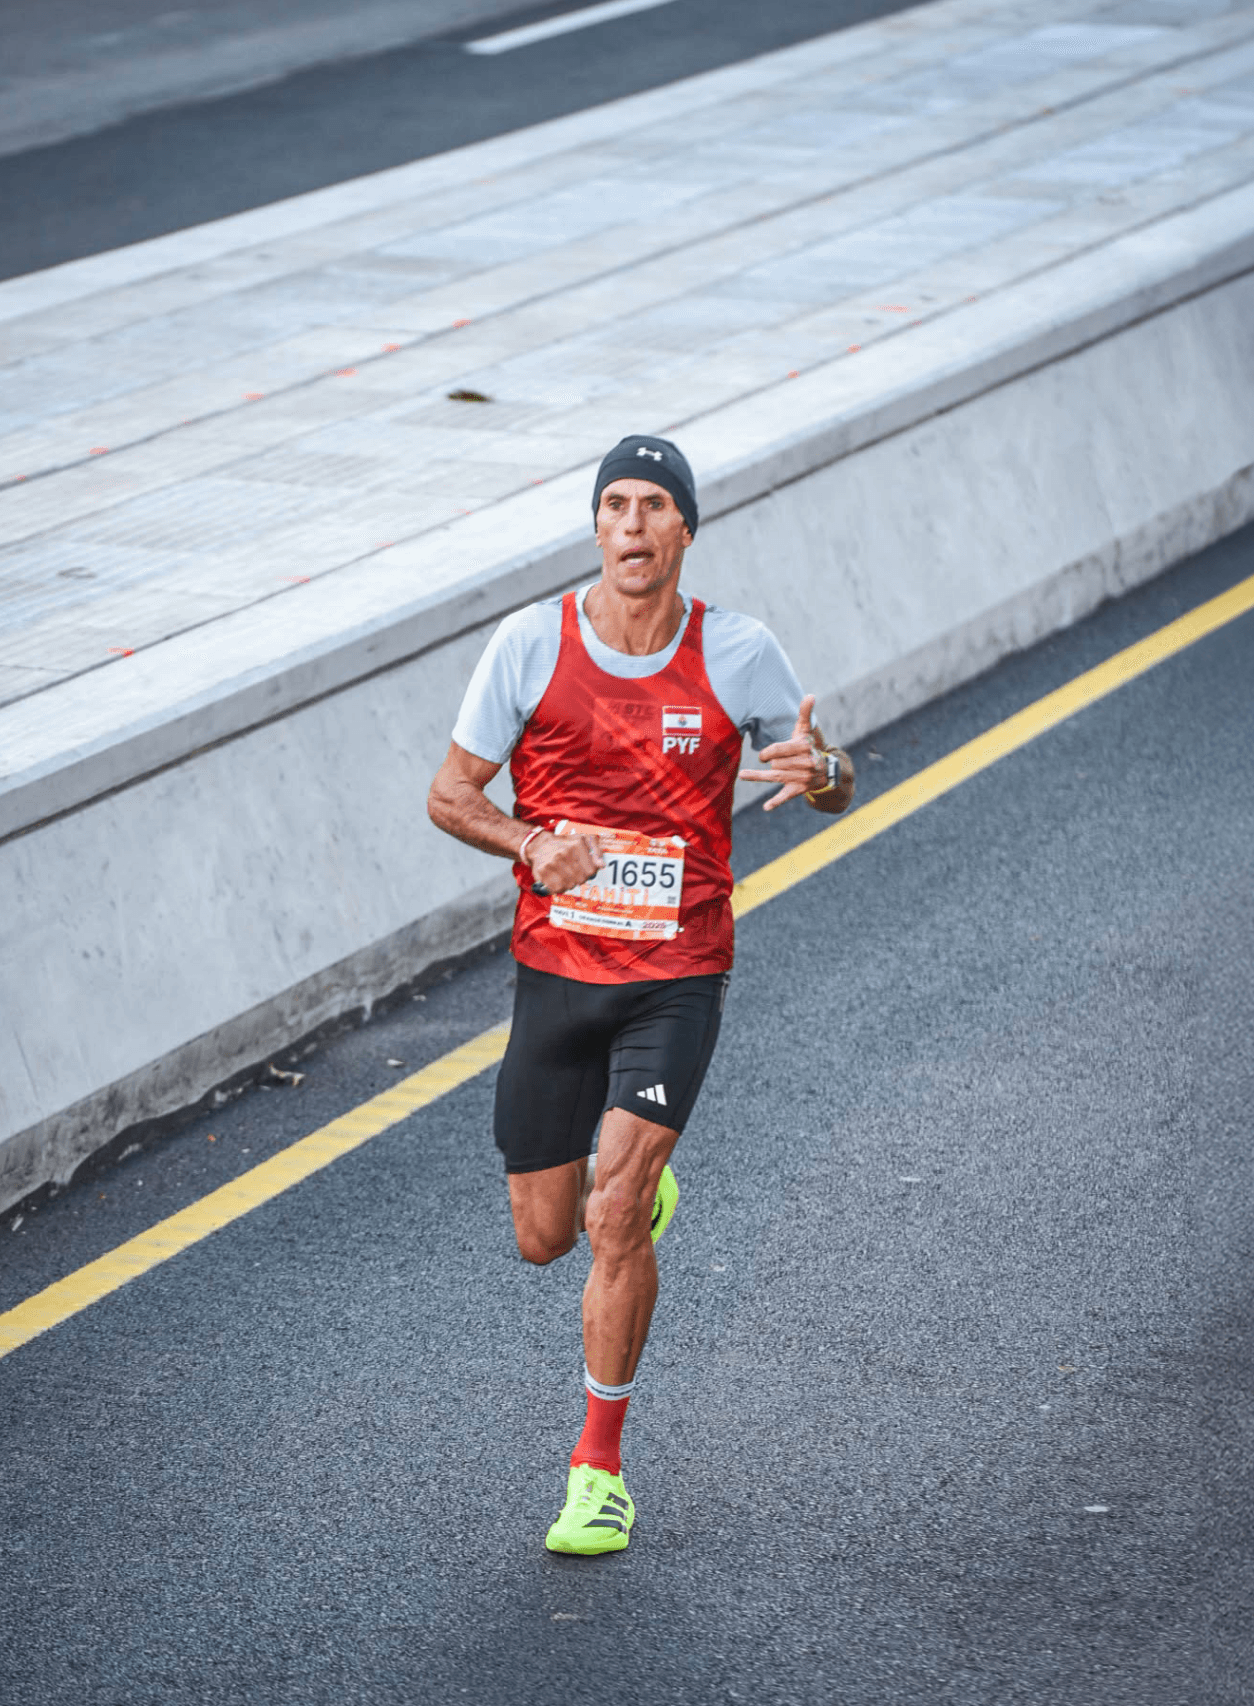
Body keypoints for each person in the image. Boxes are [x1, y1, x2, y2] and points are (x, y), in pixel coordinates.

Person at [426, 433, 854, 1555]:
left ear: (683, 531)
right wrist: (528, 842)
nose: (629, 523)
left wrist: (824, 776)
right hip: (556, 975)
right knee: (542, 1234)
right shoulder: (529, 645)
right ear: (596, 527)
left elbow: (826, 771)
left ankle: (597, 1469)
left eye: (651, 505)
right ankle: (628, 1193)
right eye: (612, 503)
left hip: (677, 973)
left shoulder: (738, 651)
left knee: (612, 1215)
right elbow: (448, 794)